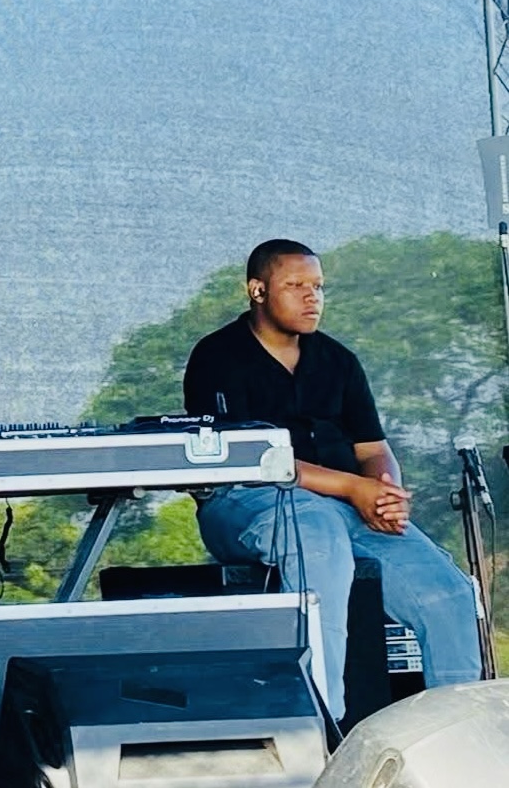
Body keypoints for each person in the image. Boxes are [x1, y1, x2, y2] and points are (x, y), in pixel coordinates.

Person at [184, 238, 481, 720]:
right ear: (257, 290)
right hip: (247, 502)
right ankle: (325, 731)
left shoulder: (338, 360)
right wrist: (352, 488)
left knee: (447, 592)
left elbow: (373, 449)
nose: (312, 297)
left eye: (318, 286)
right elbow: (248, 459)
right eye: (296, 285)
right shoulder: (218, 356)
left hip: (349, 504)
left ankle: (457, 735)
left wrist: (383, 493)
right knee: (318, 537)